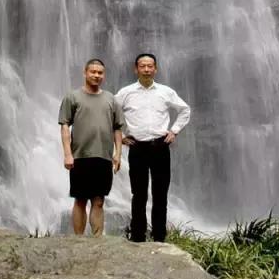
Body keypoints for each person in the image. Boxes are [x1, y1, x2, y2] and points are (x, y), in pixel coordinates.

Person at [116, 53, 190, 243]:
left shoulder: (166, 92)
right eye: (143, 66)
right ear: (136, 69)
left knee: (160, 194)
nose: (147, 69)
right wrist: (120, 136)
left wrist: (174, 131)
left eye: (150, 66)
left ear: (155, 69)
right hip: (137, 147)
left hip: (160, 146)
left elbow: (184, 110)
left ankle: (159, 237)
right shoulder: (126, 93)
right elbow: (109, 113)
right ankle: (138, 237)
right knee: (138, 194)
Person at [58, 58, 124, 236]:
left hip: (103, 157)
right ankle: (79, 241)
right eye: (93, 72)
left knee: (99, 200)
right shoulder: (72, 97)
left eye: (100, 72)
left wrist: (118, 154)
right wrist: (67, 154)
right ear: (85, 73)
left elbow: (118, 128)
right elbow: (64, 126)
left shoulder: (111, 99)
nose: (96, 75)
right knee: (80, 199)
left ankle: (97, 240)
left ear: (104, 75)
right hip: (80, 156)